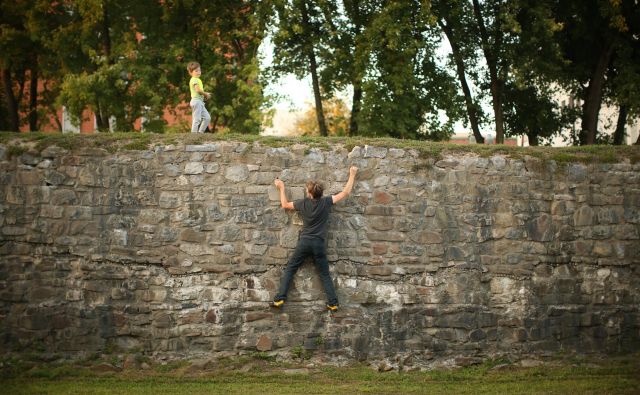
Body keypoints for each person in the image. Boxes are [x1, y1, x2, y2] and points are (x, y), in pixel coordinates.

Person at [271, 166, 358, 312]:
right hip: (319, 243)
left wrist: (281, 187)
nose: (306, 191)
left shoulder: (303, 203)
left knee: (291, 268)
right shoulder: (326, 202)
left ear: (310, 193)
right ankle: (333, 303)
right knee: (324, 273)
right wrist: (352, 174)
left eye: (307, 190)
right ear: (320, 193)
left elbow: (285, 205)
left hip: (304, 242)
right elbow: (345, 192)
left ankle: (280, 298)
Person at [187, 61, 212, 133]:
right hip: (196, 101)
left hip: (199, 102)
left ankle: (200, 133)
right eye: (196, 71)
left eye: (199, 70)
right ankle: (194, 135)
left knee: (207, 118)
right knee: (197, 119)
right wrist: (206, 94)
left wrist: (205, 94)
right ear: (191, 72)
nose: (198, 72)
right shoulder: (194, 79)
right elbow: (198, 90)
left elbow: (199, 91)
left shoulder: (197, 79)